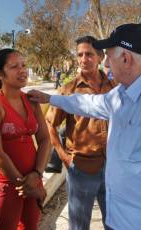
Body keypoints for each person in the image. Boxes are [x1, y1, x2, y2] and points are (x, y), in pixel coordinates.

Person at [27, 23, 141, 230]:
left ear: (126, 58)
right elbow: (88, 104)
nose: (105, 61)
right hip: (119, 219)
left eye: (108, 55)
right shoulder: (122, 93)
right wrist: (51, 98)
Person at [46, 35, 116, 230]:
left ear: (101, 57)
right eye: (80, 55)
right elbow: (50, 124)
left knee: (115, 222)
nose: (84, 59)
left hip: (113, 168)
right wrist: (64, 157)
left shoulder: (114, 87)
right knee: (79, 226)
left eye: (89, 54)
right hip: (81, 169)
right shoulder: (68, 90)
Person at [0, 48, 51, 230]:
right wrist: (23, 184)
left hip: (34, 180)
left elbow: (44, 140)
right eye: (14, 67)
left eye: (24, 65)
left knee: (31, 227)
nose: (22, 70)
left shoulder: (31, 100)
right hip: (8, 185)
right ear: (0, 73)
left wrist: (37, 175)